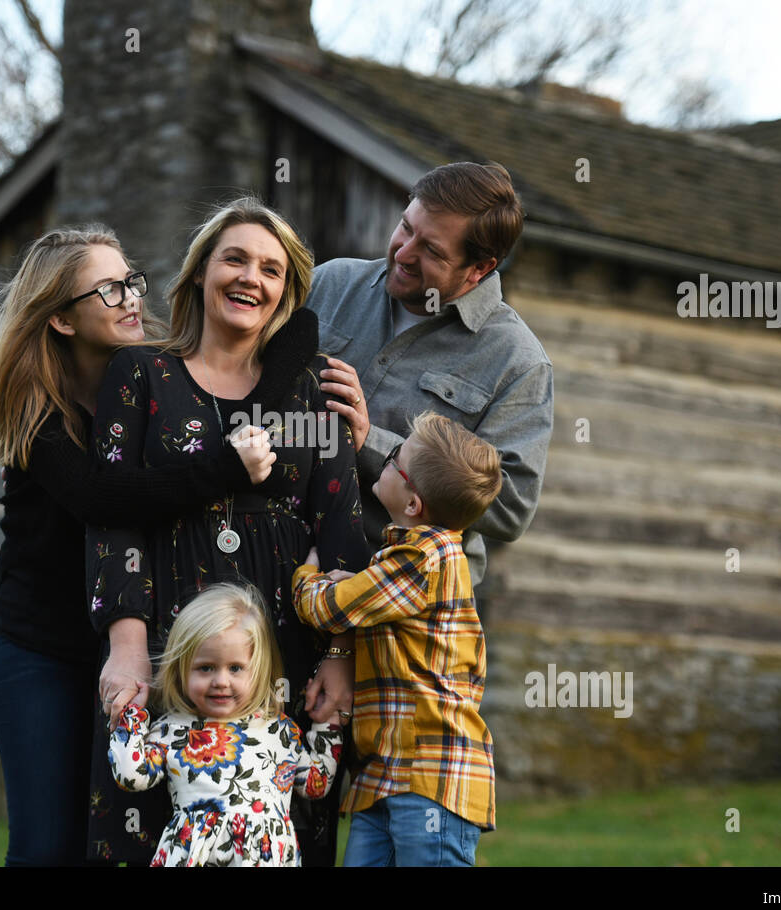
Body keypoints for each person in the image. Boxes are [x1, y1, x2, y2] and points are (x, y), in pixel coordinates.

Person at [0, 226, 304, 866]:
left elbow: (299, 331)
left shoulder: (158, 378)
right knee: (47, 844)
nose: (130, 297)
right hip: (42, 648)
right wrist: (226, 469)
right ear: (63, 321)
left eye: (130, 280)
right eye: (107, 290)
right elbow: (105, 498)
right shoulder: (35, 409)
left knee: (126, 832)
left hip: (141, 638)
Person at [85, 197, 369, 866]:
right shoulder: (141, 376)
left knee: (283, 833)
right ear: (200, 274)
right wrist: (126, 646)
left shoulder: (312, 391)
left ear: (286, 291)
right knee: (138, 825)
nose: (251, 277)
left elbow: (340, 529)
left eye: (270, 269)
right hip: (166, 643)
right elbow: (112, 515)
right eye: (235, 258)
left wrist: (339, 655)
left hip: (281, 652)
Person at [306, 160, 553, 589]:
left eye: (432, 251)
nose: (403, 252)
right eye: (406, 227)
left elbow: (511, 507)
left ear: (479, 269)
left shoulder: (518, 361)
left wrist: (375, 445)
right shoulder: (328, 284)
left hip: (397, 611)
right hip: (280, 562)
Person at [292, 411, 502, 867]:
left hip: (431, 782)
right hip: (383, 777)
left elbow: (325, 607)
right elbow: (368, 599)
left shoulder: (423, 559)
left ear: (413, 504)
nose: (382, 461)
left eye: (393, 459)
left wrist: (307, 572)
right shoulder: (406, 560)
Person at [108, 583, 341, 867]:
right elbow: (131, 776)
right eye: (206, 668)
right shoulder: (173, 729)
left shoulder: (278, 730)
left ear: (258, 670)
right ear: (182, 669)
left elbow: (315, 785)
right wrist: (133, 716)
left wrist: (328, 724)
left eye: (235, 668)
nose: (221, 681)